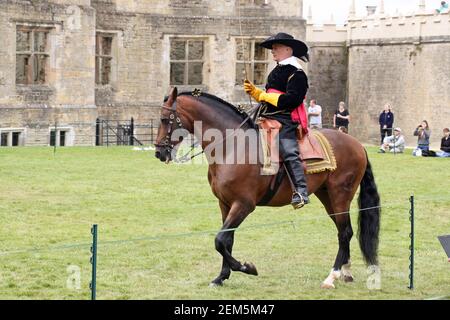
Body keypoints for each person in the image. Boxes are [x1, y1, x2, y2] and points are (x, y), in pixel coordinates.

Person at [244, 32, 310, 209]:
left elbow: (292, 100)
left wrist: (264, 95)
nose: (273, 51)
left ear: (288, 49)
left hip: (286, 119)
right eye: (272, 48)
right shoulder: (277, 70)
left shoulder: (297, 73)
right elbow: (271, 96)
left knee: (288, 150)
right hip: (267, 116)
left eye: (277, 47)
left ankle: (301, 191)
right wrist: (256, 93)